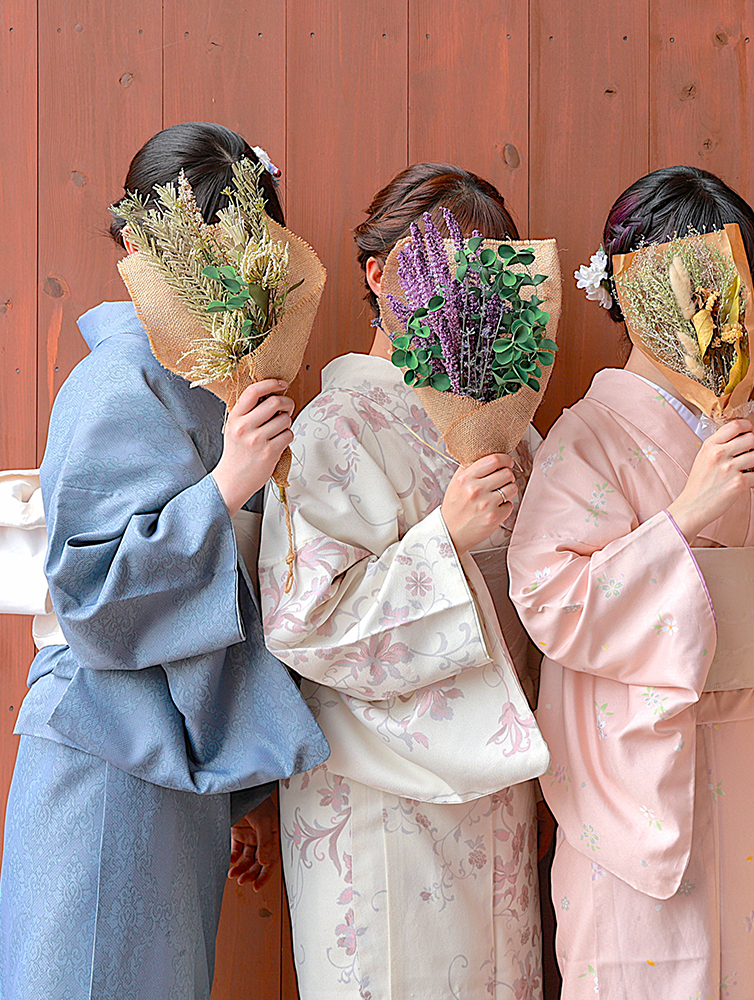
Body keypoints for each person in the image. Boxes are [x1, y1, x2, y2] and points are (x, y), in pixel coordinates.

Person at [0, 122, 328, 1000]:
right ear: (148, 246)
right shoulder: (116, 381)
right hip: (105, 752)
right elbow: (92, 589)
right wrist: (223, 489)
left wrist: (240, 791)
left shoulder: (216, 380)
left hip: (176, 763)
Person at [507, 165, 754, 998]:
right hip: (637, 756)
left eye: (728, 276)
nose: (707, 304)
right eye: (682, 281)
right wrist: (682, 520)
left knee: (752, 973)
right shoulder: (588, 437)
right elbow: (547, 597)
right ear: (626, 292)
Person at [257, 163, 547, 1000]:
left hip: (493, 786)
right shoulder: (331, 427)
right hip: (379, 792)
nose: (460, 290)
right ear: (377, 274)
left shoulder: (507, 428)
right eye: (435, 264)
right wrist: (446, 541)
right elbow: (307, 625)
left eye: (482, 273)